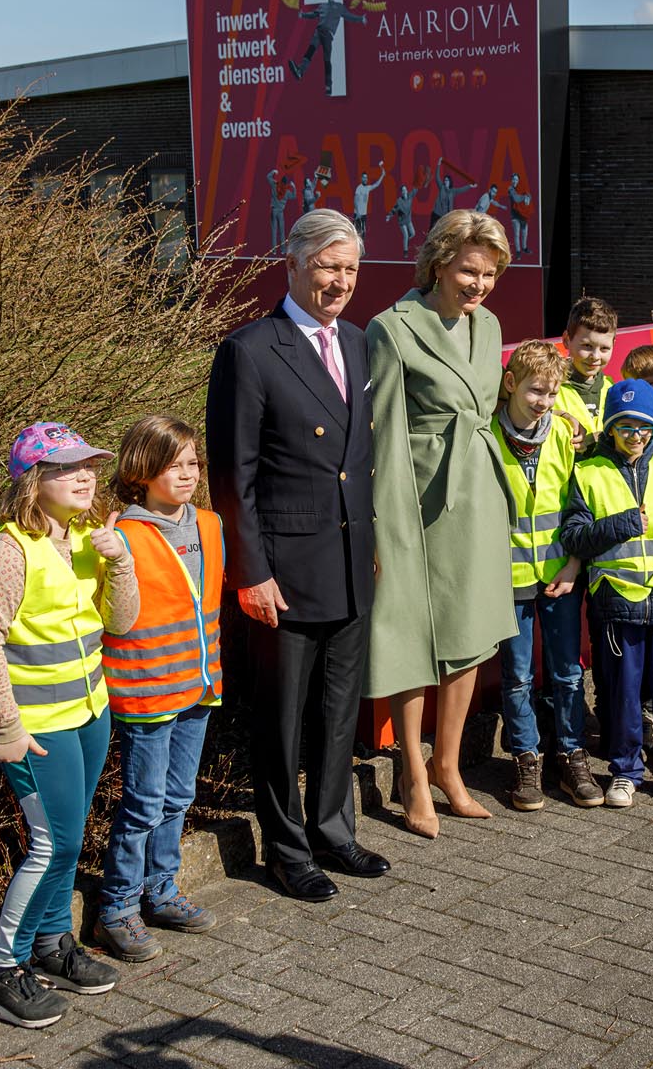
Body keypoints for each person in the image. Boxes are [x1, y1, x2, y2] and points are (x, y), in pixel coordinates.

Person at [208, 209, 389, 904]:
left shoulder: (358, 342)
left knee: (340, 710)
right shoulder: (251, 350)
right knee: (282, 719)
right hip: (281, 572)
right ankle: (286, 849)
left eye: (349, 269)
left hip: (347, 560)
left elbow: (358, 459)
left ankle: (333, 831)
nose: (340, 281)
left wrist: (365, 539)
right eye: (327, 267)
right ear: (293, 266)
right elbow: (233, 476)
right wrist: (250, 570)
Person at [0, 422, 133, 1028]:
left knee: (69, 836)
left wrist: (121, 564)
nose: (86, 475)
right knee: (50, 846)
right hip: (34, 729)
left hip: (89, 714)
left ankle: (53, 945)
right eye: (67, 467)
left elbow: (121, 621)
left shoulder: (92, 537)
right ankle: (2, 973)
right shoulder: (5, 552)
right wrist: (5, 728)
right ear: (34, 481)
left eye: (89, 464)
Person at [366, 209, 519, 838]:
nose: (478, 284)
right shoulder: (392, 328)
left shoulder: (490, 326)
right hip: (418, 499)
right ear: (438, 263)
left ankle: (448, 767)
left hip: (478, 493)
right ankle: (411, 773)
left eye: (488, 274)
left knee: (470, 633)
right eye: (467, 271)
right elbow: (382, 433)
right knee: (412, 635)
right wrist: (386, 524)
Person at [94, 414, 225, 963]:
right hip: (147, 687)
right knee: (143, 802)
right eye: (174, 464)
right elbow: (113, 615)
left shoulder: (209, 525)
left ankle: (161, 889)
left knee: (178, 795)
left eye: (193, 463)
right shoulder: (121, 535)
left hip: (198, 683)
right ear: (140, 470)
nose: (188, 473)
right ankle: (116, 906)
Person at [559, 379, 653, 809]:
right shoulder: (588, 472)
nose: (635, 437)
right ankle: (625, 771)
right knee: (623, 697)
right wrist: (624, 523)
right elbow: (574, 536)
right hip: (616, 604)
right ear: (609, 429)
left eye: (643, 428)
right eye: (624, 428)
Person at [490, 339, 601, 810]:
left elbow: (582, 505)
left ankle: (571, 755)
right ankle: (526, 757)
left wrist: (576, 562)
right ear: (510, 383)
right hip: (507, 575)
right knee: (516, 674)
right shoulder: (488, 435)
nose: (544, 403)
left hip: (561, 572)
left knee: (567, 671)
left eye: (553, 394)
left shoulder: (564, 433)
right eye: (536, 391)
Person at [555, 296, 618, 448]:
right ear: (566, 340)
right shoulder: (550, 385)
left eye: (604, 348)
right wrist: (559, 416)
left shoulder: (613, 389)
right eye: (587, 346)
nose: (595, 357)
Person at [351, 164, 386, 237]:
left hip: (363, 214)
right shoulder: (359, 188)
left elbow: (376, 184)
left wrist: (382, 175)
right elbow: (355, 200)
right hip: (358, 214)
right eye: (364, 177)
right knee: (356, 233)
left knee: (363, 233)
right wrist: (357, 213)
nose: (365, 179)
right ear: (361, 179)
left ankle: (361, 247)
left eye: (366, 178)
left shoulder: (367, 188)